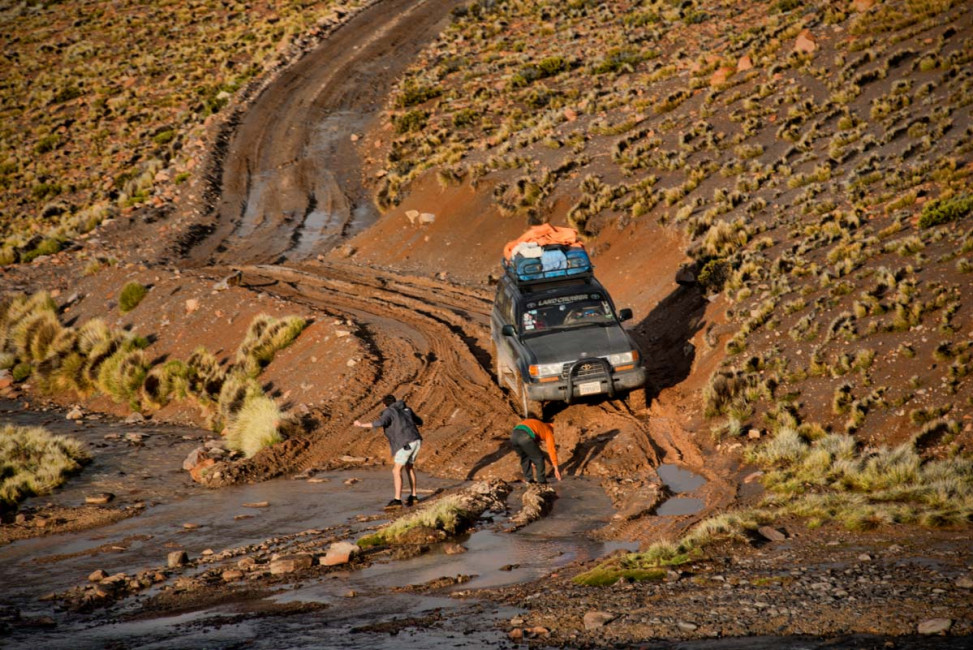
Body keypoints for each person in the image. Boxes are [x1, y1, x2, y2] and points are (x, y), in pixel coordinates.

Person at [354, 394, 423, 509]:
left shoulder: (389, 411)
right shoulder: (406, 409)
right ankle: (414, 496)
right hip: (416, 440)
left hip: (405, 444)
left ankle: (397, 500)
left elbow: (380, 423)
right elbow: (419, 421)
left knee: (396, 471)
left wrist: (360, 424)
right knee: (409, 467)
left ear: (384, 404)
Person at [510, 418, 562, 484]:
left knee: (525, 458)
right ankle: (542, 482)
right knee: (539, 458)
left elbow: (530, 449)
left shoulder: (538, 425)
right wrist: (556, 469)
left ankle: (529, 481)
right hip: (524, 435)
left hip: (513, 436)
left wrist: (532, 460)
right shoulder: (548, 431)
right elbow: (551, 450)